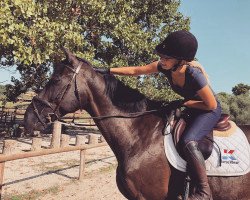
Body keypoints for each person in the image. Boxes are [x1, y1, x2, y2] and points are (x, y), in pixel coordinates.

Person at [95, 30, 221, 200]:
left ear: (181, 60)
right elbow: (136, 70)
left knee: (188, 141)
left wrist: (183, 103)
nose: (162, 61)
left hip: (208, 110)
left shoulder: (194, 75)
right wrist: (108, 70)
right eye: (161, 56)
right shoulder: (165, 67)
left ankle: (204, 191)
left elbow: (211, 104)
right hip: (192, 107)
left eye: (166, 58)